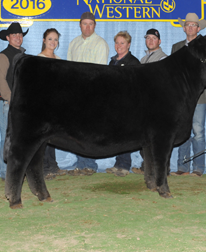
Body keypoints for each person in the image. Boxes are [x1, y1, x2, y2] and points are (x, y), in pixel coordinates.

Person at [67, 12, 109, 176]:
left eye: (90, 24)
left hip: (92, 94)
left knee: (91, 130)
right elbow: (69, 70)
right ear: (80, 25)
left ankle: (90, 164)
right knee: (77, 131)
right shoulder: (74, 43)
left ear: (95, 25)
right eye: (84, 23)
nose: (87, 27)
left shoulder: (101, 44)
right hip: (76, 94)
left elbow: (100, 72)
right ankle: (80, 164)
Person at [171, 13, 206, 177]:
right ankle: (183, 167)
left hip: (199, 95)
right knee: (183, 130)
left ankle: (198, 168)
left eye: (193, 25)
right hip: (182, 96)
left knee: (198, 130)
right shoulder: (177, 47)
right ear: (184, 27)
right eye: (187, 25)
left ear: (198, 28)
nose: (190, 28)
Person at [132, 28, 167, 175]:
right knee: (145, 137)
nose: (150, 41)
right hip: (144, 105)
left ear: (159, 41)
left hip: (157, 105)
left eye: (153, 38)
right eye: (148, 38)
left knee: (157, 138)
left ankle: (161, 168)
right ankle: (147, 166)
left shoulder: (163, 59)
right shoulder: (142, 60)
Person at [105, 31, 140, 177]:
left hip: (128, 104)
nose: (119, 45)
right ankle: (118, 163)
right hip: (114, 103)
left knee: (126, 135)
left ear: (129, 44)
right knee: (117, 135)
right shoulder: (112, 61)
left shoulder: (134, 62)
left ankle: (125, 165)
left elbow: (137, 85)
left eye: (122, 43)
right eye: (117, 42)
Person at [0, 22, 27, 180]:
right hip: (8, 104)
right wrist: (11, 99)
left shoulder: (24, 56)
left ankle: (16, 170)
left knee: (18, 139)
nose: (18, 37)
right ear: (7, 37)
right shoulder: (3, 55)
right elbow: (0, 81)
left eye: (20, 35)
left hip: (19, 104)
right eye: (14, 35)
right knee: (6, 139)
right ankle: (5, 172)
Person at [37, 28, 66, 180]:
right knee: (43, 136)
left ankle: (53, 165)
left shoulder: (59, 60)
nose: (53, 42)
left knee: (54, 135)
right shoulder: (39, 59)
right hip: (43, 103)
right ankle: (44, 166)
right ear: (44, 41)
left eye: (55, 39)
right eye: (50, 39)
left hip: (56, 103)